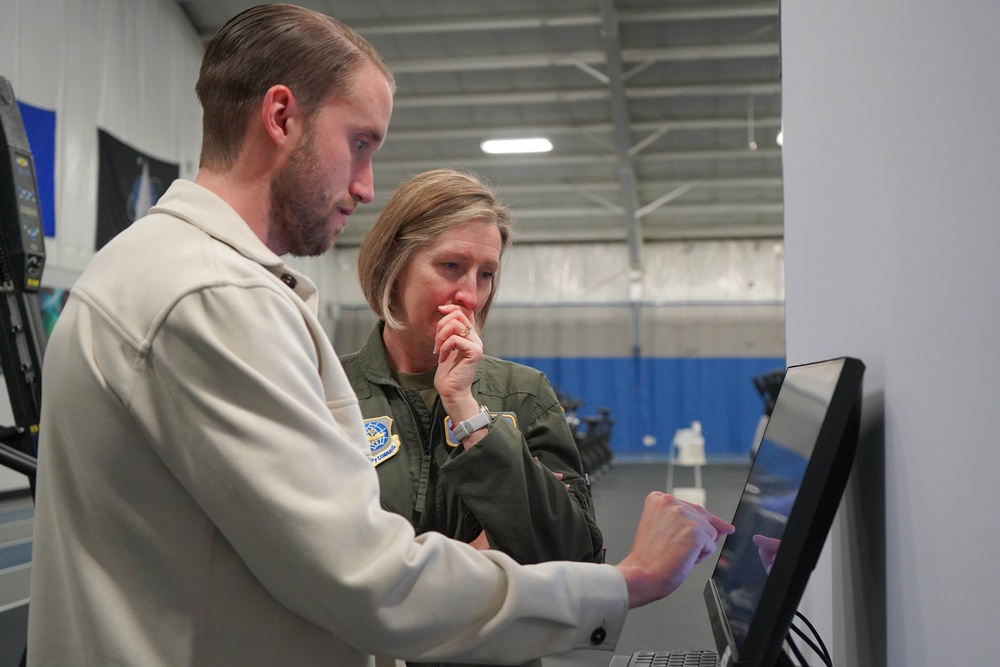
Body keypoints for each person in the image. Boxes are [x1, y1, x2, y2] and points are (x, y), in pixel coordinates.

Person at [26, 5, 733, 667]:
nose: (365, 186)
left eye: (487, 272)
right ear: (281, 117)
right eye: (358, 143)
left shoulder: (175, 274)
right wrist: (627, 581)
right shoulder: (212, 296)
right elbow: (371, 576)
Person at [341, 169, 603, 667]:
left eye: (486, 273)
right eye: (451, 266)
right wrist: (487, 554)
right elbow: (325, 565)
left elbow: (573, 558)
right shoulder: (328, 392)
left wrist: (466, 409)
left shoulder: (524, 395)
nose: (471, 294)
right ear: (393, 267)